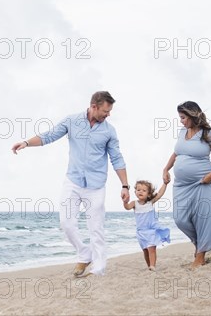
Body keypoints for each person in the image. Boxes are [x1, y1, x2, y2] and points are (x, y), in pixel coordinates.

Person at [11, 91, 129, 277]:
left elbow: (117, 158)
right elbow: (48, 136)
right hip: (73, 181)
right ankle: (84, 252)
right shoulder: (72, 121)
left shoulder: (109, 131)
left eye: (110, 111)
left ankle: (99, 269)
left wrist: (125, 186)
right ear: (94, 107)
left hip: (96, 186)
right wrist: (26, 143)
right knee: (66, 223)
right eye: (106, 111)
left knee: (96, 228)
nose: (108, 114)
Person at [162, 101, 211, 268]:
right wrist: (166, 168)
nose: (181, 121)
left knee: (204, 219)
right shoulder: (182, 132)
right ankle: (199, 245)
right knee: (180, 219)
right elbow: (176, 152)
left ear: (193, 115)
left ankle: (200, 256)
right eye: (180, 117)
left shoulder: (209, 134)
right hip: (182, 186)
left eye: (183, 117)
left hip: (203, 182)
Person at [123, 180, 171, 271]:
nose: (141, 191)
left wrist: (165, 183)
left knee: (151, 248)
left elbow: (160, 193)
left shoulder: (150, 203)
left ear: (149, 194)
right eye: (138, 189)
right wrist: (125, 202)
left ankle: (153, 265)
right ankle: (149, 266)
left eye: (144, 190)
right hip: (141, 232)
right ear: (135, 192)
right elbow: (127, 207)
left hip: (151, 230)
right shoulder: (134, 203)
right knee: (145, 251)